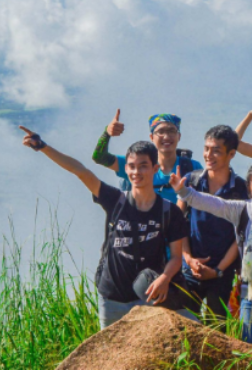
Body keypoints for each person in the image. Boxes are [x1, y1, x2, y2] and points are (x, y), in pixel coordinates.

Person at [19, 126, 191, 328]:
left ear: (155, 168)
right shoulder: (114, 200)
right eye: (132, 166)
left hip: (148, 294)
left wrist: (165, 278)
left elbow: (177, 257)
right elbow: (80, 170)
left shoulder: (169, 212)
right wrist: (43, 146)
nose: (136, 172)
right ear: (126, 169)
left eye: (143, 166)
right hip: (111, 297)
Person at [173, 161, 252, 344]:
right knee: (247, 345)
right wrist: (184, 192)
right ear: (250, 190)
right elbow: (216, 204)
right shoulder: (244, 210)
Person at [178, 125, 249, 322]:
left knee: (217, 331)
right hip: (190, 269)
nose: (209, 155)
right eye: (206, 148)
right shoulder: (191, 181)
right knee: (185, 326)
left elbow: (243, 234)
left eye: (216, 150)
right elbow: (177, 223)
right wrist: (189, 259)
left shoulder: (241, 189)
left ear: (231, 154)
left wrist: (218, 270)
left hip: (222, 273)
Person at [92, 111, 202, 202]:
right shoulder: (137, 165)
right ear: (151, 137)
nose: (166, 136)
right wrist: (107, 133)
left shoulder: (192, 168)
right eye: (161, 132)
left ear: (179, 136)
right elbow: (99, 157)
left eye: (171, 131)